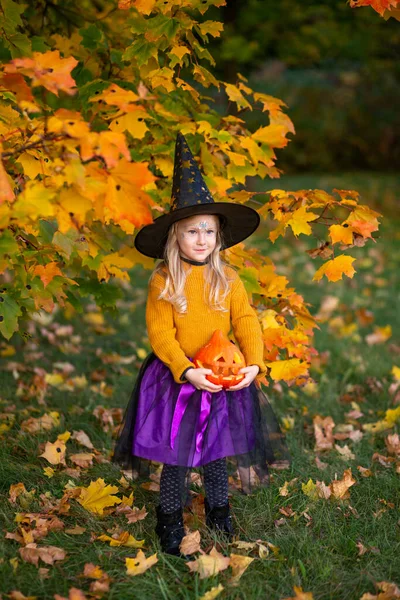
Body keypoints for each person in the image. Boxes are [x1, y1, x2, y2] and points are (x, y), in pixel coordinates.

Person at [112, 132, 291, 556]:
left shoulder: (227, 278)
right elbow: (161, 334)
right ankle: (170, 518)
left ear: (218, 236)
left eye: (209, 231)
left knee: (216, 451)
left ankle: (219, 512)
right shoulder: (164, 281)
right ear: (175, 236)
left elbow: (246, 321)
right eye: (192, 231)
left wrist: (254, 363)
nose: (201, 239)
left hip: (223, 378)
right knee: (175, 456)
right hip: (179, 379)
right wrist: (186, 369)